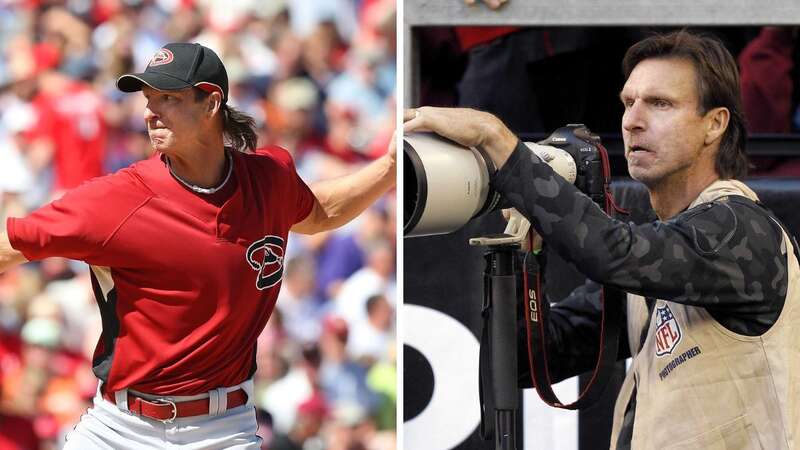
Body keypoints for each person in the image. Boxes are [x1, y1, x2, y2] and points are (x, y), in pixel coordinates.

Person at [405, 30, 799, 449]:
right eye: (628, 103)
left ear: (715, 123)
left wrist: (499, 143)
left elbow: (615, 253)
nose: (633, 120)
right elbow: (527, 363)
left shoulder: (742, 228)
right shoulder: (665, 254)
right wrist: (526, 259)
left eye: (660, 103)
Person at [0, 42, 395, 449]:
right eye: (149, 99)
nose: (151, 111)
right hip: (122, 429)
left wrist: (391, 167)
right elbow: (11, 245)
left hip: (223, 430)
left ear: (211, 103)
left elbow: (318, 212)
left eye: (168, 97)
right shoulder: (116, 201)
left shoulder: (270, 179)